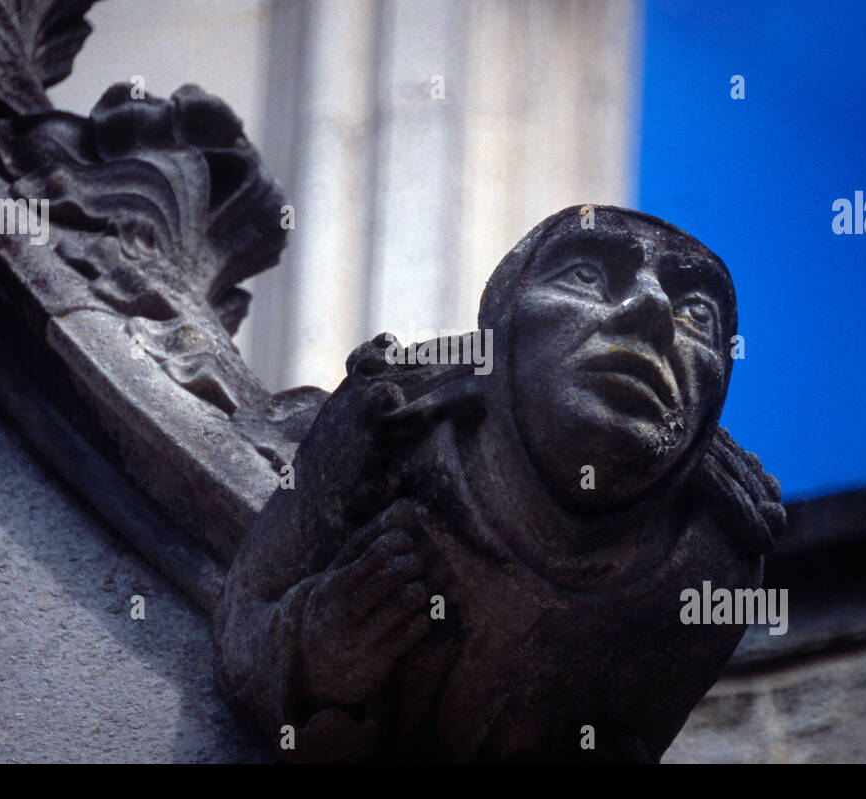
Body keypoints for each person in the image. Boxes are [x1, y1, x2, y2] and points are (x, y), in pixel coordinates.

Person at [214, 205, 784, 762]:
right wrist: (313, 645)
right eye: (588, 276)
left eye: (696, 316)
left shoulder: (715, 555)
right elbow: (239, 624)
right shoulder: (390, 427)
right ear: (500, 327)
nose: (652, 309)